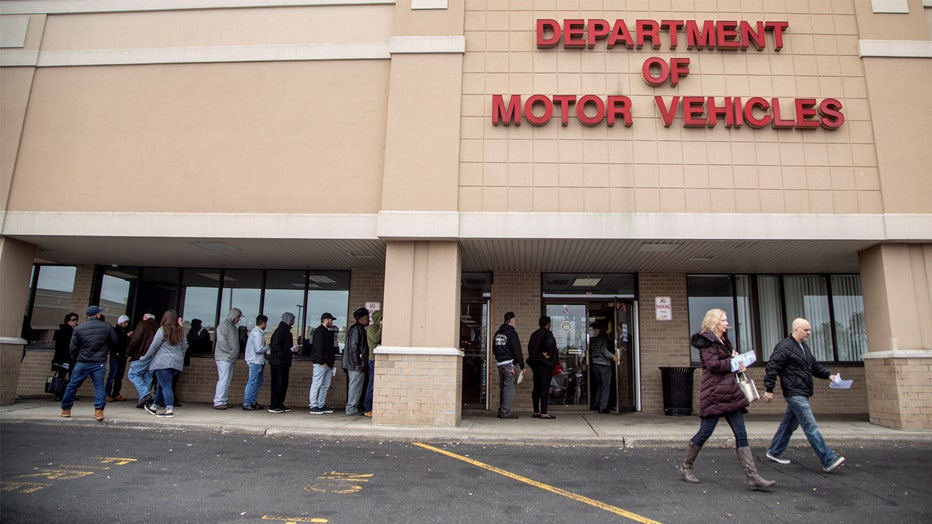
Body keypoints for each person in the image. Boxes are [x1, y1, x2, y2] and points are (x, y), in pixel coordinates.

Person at [678, 308, 776, 491]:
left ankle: (753, 477)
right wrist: (733, 364)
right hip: (714, 394)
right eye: (723, 321)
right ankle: (685, 467)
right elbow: (713, 365)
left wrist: (736, 361)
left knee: (741, 434)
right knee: (704, 433)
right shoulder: (707, 341)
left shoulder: (723, 341)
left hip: (730, 394)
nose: (726, 324)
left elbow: (724, 362)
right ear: (714, 321)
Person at [763, 318, 846, 473]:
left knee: (789, 424)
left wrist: (829, 376)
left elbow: (813, 366)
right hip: (794, 393)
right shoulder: (784, 347)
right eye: (806, 330)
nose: (809, 332)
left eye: (809, 329)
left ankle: (774, 451)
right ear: (796, 329)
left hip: (803, 391)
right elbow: (772, 367)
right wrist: (769, 389)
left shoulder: (803, 347)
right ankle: (828, 459)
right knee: (810, 426)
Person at [60, 306, 117, 421]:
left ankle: (66, 410)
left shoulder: (79, 328)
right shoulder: (106, 326)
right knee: (99, 386)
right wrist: (106, 350)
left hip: (82, 361)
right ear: (97, 315)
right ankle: (99, 411)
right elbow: (115, 341)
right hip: (99, 362)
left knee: (72, 385)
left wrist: (76, 358)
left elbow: (73, 347)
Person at [140, 310, 187, 418]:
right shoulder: (180, 331)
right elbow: (184, 346)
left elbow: (154, 345)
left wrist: (145, 357)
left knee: (166, 386)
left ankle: (169, 410)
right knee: (161, 385)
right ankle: (154, 407)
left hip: (163, 362)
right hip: (176, 363)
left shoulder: (162, 330)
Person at [493, 311, 525, 419]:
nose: (515, 323)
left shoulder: (497, 333)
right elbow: (517, 350)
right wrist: (522, 365)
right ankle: (505, 413)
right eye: (514, 321)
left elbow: (494, 348)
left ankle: (501, 410)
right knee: (509, 388)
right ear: (511, 321)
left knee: (503, 387)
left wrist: (499, 358)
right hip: (509, 364)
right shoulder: (512, 333)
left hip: (500, 363)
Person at [526, 316, 558, 419]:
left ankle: (536, 411)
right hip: (544, 364)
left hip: (535, 364)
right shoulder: (547, 334)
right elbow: (551, 347)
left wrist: (538, 355)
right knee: (544, 388)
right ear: (548, 324)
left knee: (537, 388)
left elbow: (531, 349)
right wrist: (549, 358)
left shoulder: (534, 334)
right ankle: (544, 411)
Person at [268, 312, 299, 413]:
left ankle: (280, 403)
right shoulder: (280, 331)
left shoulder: (286, 332)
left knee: (283, 384)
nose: (293, 322)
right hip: (278, 363)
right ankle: (274, 405)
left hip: (283, 362)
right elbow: (276, 346)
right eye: (292, 320)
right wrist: (288, 352)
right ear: (288, 319)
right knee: (277, 383)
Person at [127, 313, 159, 408]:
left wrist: (129, 351)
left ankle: (145, 394)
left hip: (142, 354)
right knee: (148, 376)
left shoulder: (143, 324)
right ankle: (144, 401)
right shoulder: (158, 326)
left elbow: (136, 339)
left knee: (132, 374)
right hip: (154, 355)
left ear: (145, 316)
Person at [308, 313, 337, 415]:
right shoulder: (319, 332)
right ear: (325, 320)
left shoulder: (325, 332)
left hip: (327, 363)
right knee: (317, 384)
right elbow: (318, 348)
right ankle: (313, 405)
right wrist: (321, 361)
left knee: (325, 385)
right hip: (321, 364)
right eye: (330, 320)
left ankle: (321, 404)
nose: (332, 322)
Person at [213, 308, 242, 410]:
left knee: (227, 380)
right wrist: (230, 352)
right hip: (224, 357)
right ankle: (218, 401)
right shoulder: (223, 325)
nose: (238, 319)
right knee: (223, 379)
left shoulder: (233, 327)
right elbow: (221, 341)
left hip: (230, 358)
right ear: (233, 315)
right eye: (238, 317)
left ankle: (223, 400)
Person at [343, 307, 370, 416]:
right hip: (355, 365)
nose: (368, 320)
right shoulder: (357, 329)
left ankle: (353, 407)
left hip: (354, 364)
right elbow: (353, 347)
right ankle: (351, 408)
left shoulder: (357, 329)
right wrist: (357, 362)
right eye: (367, 318)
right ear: (361, 319)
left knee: (356, 386)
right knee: (355, 386)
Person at [589, 321, 619, 414]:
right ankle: (603, 407)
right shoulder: (604, 339)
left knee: (601, 385)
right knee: (606, 387)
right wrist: (613, 356)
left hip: (594, 365)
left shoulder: (593, 340)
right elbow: (604, 350)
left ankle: (596, 402)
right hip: (604, 365)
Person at [50, 312, 79, 401]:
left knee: (73, 377)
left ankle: (68, 394)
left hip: (71, 359)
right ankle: (58, 394)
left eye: (76, 320)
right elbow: (59, 346)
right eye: (73, 320)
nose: (75, 322)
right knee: (61, 376)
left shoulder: (75, 331)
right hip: (63, 358)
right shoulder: (62, 331)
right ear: (68, 320)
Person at [243, 314, 269, 411]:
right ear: (263, 323)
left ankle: (253, 401)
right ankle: (247, 403)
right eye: (265, 323)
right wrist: (268, 347)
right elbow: (259, 349)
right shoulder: (257, 334)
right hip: (255, 361)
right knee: (252, 382)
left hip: (259, 361)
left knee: (258, 382)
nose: (266, 325)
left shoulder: (256, 332)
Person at [105, 314, 132, 402]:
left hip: (122, 356)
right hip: (115, 356)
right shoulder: (115, 331)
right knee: (112, 375)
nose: (127, 324)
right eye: (125, 322)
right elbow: (117, 341)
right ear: (121, 322)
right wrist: (126, 336)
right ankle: (107, 394)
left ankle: (116, 393)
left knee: (119, 376)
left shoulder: (125, 331)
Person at [363, 310, 382, 417]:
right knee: (372, 383)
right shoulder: (371, 328)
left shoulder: (378, 328)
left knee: (374, 383)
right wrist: (381, 327)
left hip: (378, 359)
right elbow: (375, 339)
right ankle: (367, 408)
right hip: (373, 359)